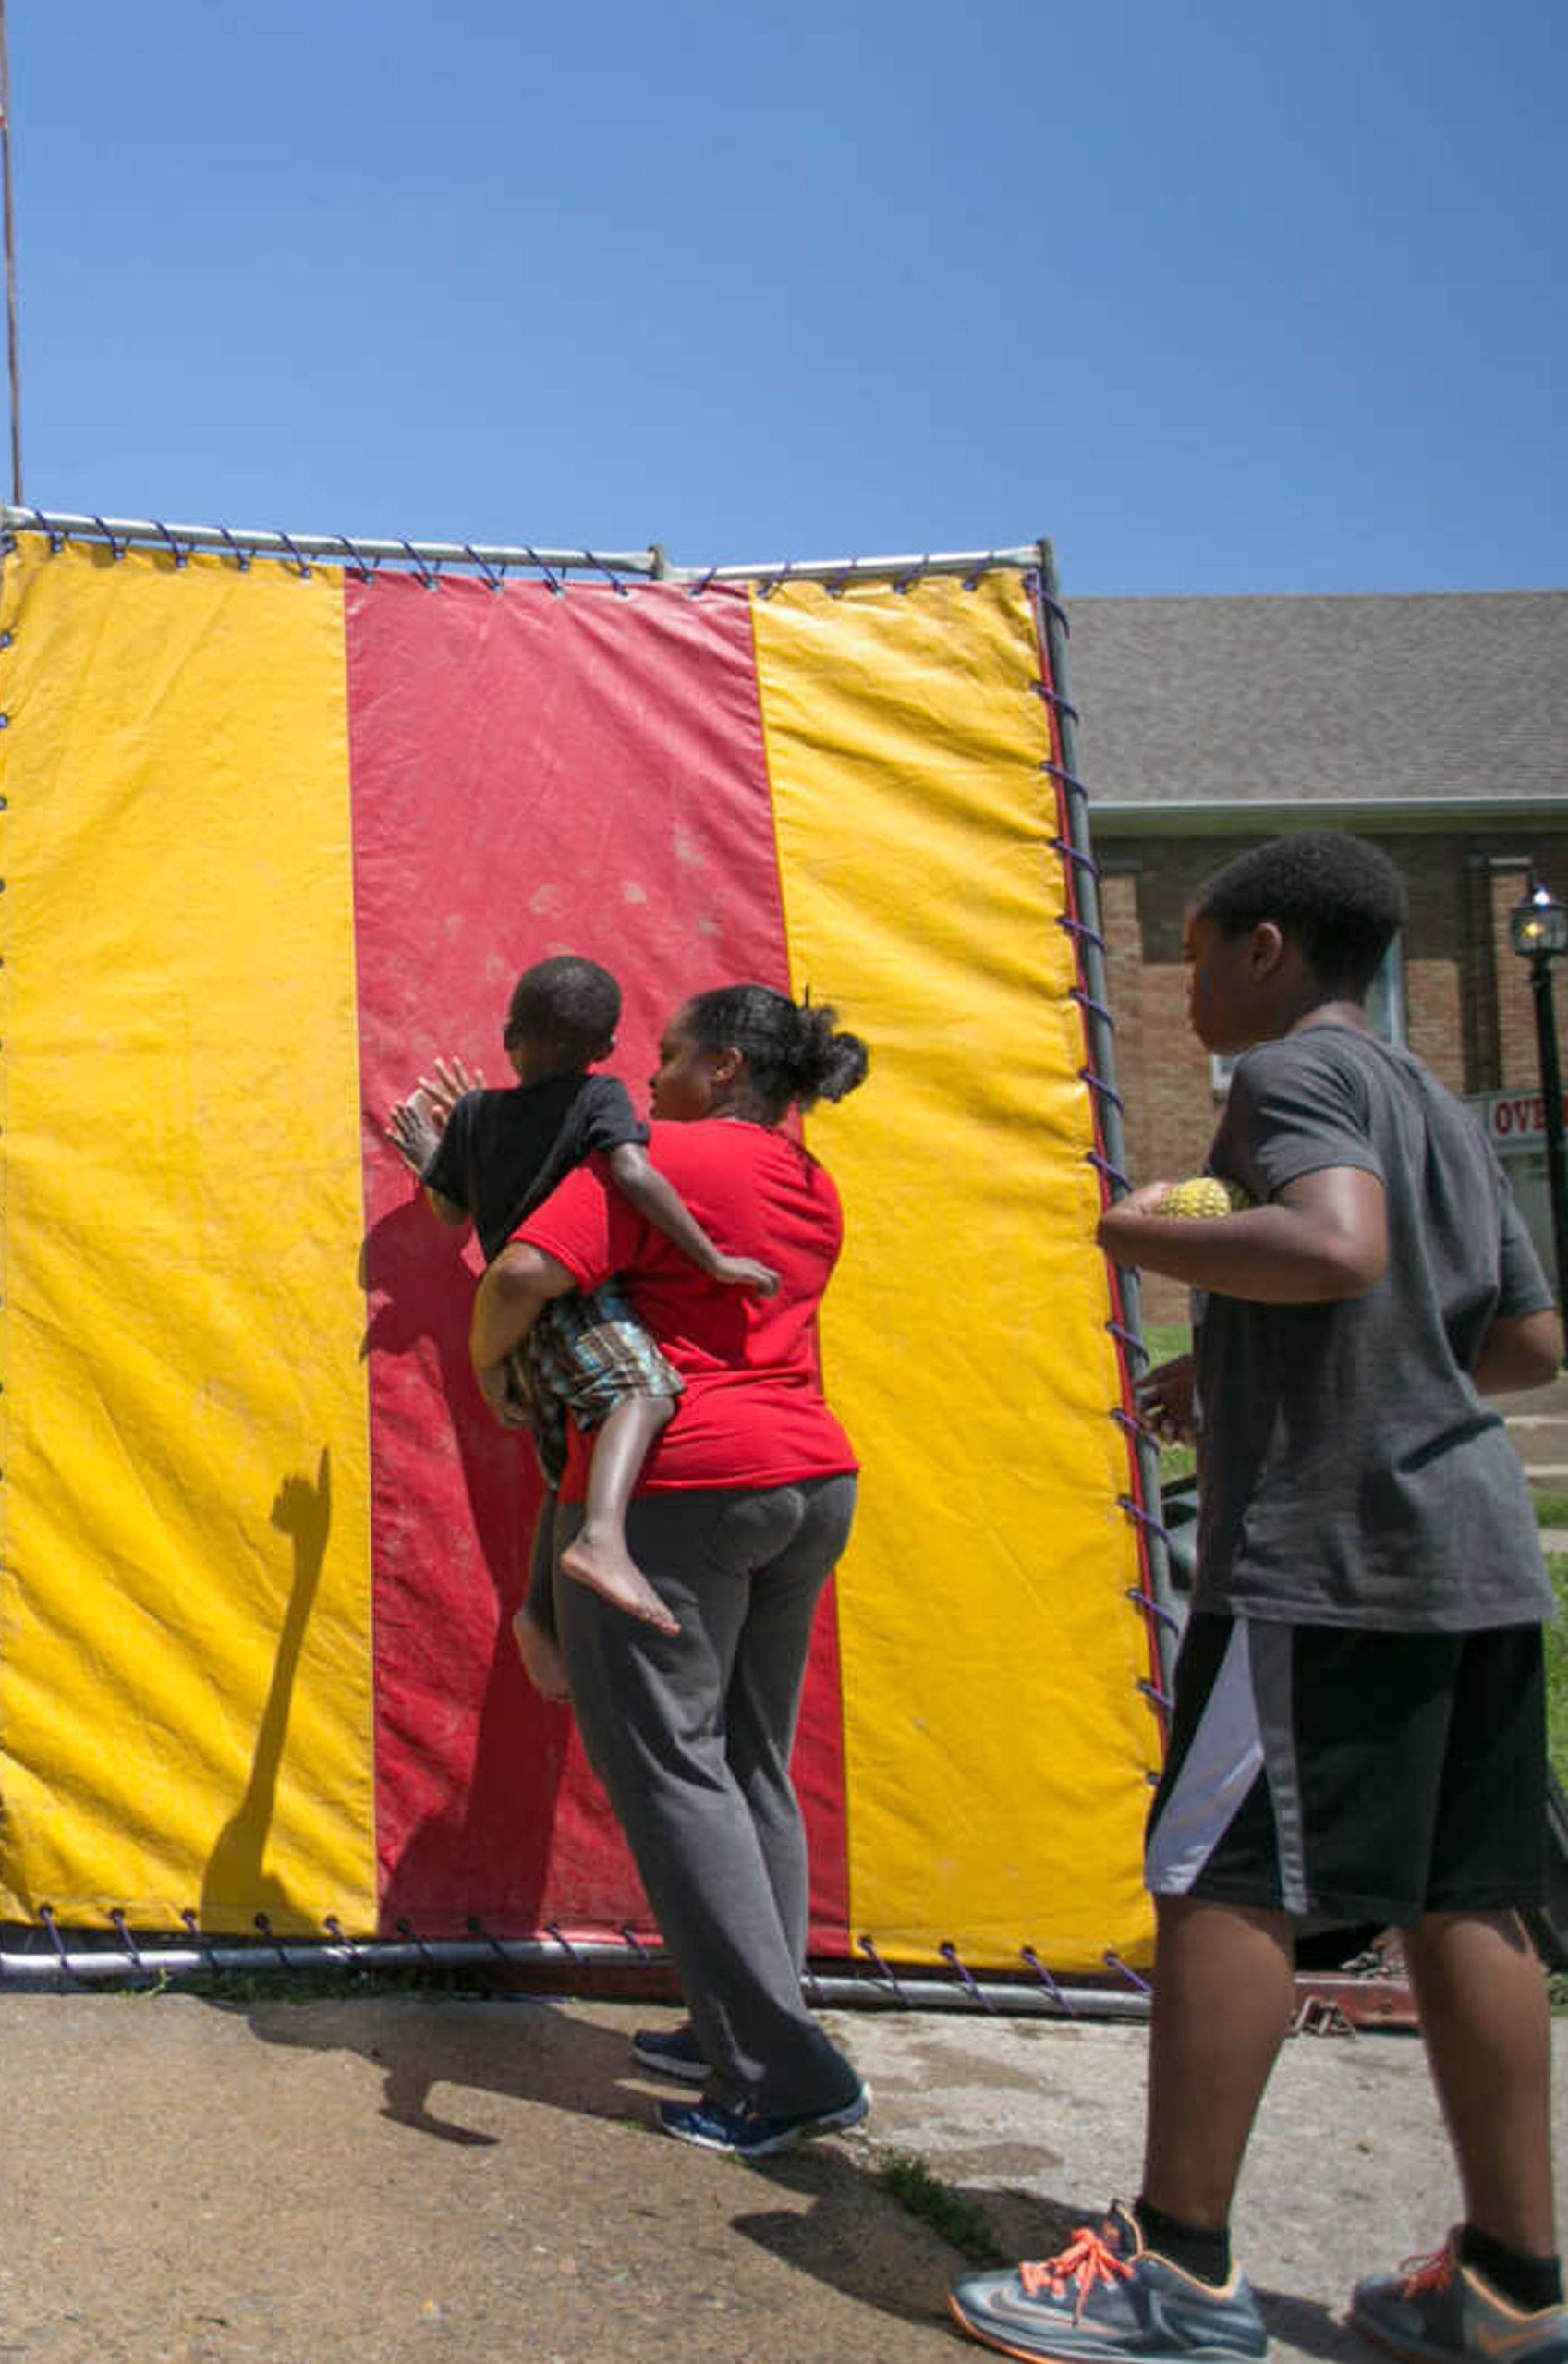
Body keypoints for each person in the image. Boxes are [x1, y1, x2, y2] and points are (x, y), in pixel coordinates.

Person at [947, 832, 1564, 2364]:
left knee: (1223, 1874)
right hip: (1473, 1552)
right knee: (1463, 1890)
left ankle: (1176, 2267)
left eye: (1202, 954)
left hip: (1328, 1560)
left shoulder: (1287, 1079)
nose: (1190, 987)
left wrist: (1136, 1224)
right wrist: (1243, 1367)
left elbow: (1335, 1247)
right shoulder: (1429, 1098)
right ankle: (1511, 2284)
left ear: (1270, 949)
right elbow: (1527, 1341)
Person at [467, 981, 871, 2155]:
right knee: (749, 1760)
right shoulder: (814, 1181)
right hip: (808, 1479)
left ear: (729, 1067)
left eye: (674, 1056)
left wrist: (494, 1372)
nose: (651, 1080)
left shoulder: (664, 1155)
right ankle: (742, 2018)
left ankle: (781, 2072)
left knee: (673, 1772)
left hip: (683, 1491)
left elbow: (520, 1276)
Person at [393, 955, 780, 1700]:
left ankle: (540, 1617)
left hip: (524, 1324)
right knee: (646, 1392)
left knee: (565, 1464)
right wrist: (714, 1259)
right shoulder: (600, 1094)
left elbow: (450, 1213)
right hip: (572, 1298)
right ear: (605, 1050)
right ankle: (603, 1540)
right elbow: (632, 1175)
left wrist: (428, 1159)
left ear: (511, 1035)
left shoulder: (475, 1115)